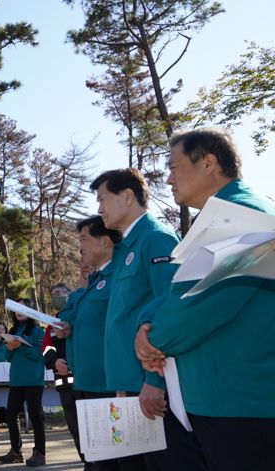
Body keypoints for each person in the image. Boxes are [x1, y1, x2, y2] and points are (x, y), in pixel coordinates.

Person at [136, 128, 275, 470]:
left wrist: (152, 341)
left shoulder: (243, 217)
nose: (168, 179)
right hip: (224, 396)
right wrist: (145, 324)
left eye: (174, 166)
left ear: (208, 163)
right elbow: (175, 291)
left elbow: (199, 303)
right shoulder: (221, 218)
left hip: (241, 402)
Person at [90, 169, 206, 470]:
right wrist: (120, 384)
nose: (99, 209)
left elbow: (170, 308)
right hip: (130, 385)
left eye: (103, 199)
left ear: (127, 197)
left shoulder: (156, 239)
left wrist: (155, 381)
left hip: (151, 391)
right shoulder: (126, 248)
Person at [57, 216, 124, 471]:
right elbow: (71, 319)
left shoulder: (118, 277)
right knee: (97, 457)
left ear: (105, 241)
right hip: (87, 383)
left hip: (107, 385)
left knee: (116, 459)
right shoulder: (93, 284)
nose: (80, 248)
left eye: (84, 239)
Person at [0, 298, 46, 467]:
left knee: (36, 416)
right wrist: (9, 348)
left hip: (33, 380)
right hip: (16, 381)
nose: (18, 311)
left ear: (30, 310)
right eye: (16, 308)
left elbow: (39, 355)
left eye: (22, 308)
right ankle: (15, 452)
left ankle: (40, 453)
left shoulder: (39, 331)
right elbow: (8, 357)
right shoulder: (13, 330)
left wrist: (21, 347)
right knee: (10, 415)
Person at [42, 283, 85, 467]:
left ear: (70, 294)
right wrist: (54, 362)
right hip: (64, 384)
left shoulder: (79, 316)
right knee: (75, 428)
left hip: (84, 382)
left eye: (59, 293)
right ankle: (85, 461)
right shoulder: (51, 323)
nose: (55, 297)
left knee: (89, 425)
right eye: (52, 295)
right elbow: (46, 348)